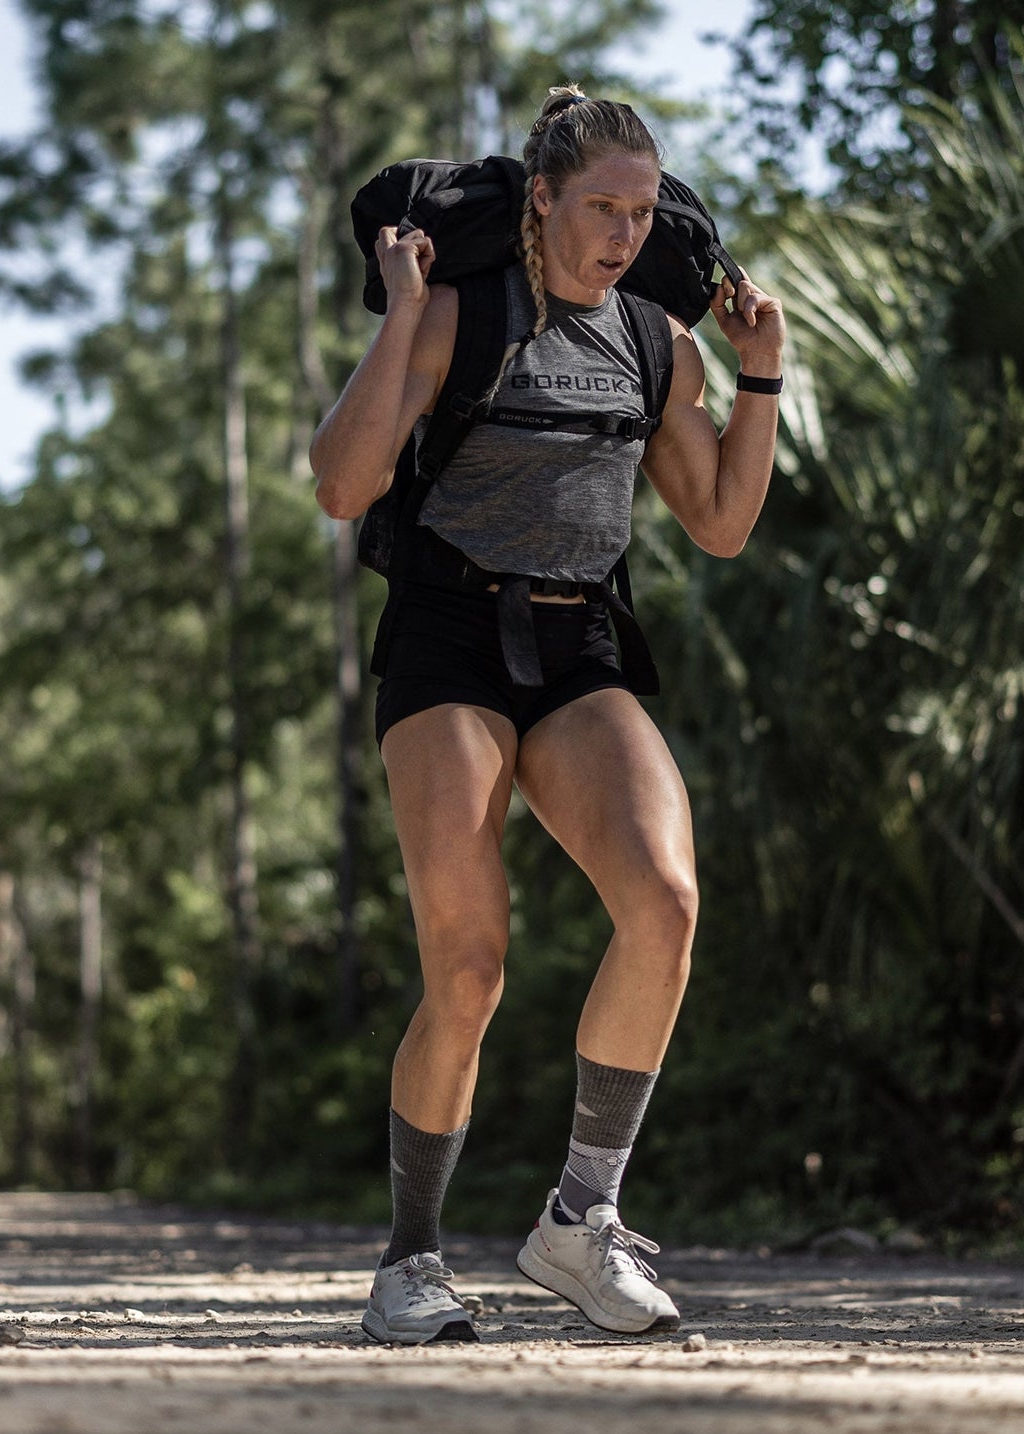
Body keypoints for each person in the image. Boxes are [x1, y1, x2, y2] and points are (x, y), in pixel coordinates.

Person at [310, 86, 786, 1345]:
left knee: (665, 902)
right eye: (600, 207)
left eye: (641, 210)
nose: (624, 233)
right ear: (541, 200)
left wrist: (760, 375)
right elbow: (341, 483)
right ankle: (408, 1263)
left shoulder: (650, 342)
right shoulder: (463, 318)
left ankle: (580, 1219)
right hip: (446, 634)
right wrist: (403, 313)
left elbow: (722, 525)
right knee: (466, 966)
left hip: (578, 639)